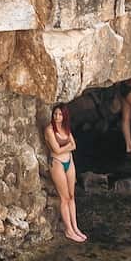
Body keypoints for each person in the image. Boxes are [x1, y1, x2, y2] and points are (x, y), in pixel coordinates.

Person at [44, 104, 86, 243]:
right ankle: (68, 230)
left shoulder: (65, 128)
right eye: (55, 114)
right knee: (64, 198)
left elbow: (75, 145)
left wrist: (66, 147)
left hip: (69, 162)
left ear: (64, 116)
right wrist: (67, 147)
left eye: (60, 114)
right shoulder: (50, 130)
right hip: (57, 164)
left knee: (72, 196)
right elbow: (56, 150)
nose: (57, 117)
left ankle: (75, 227)